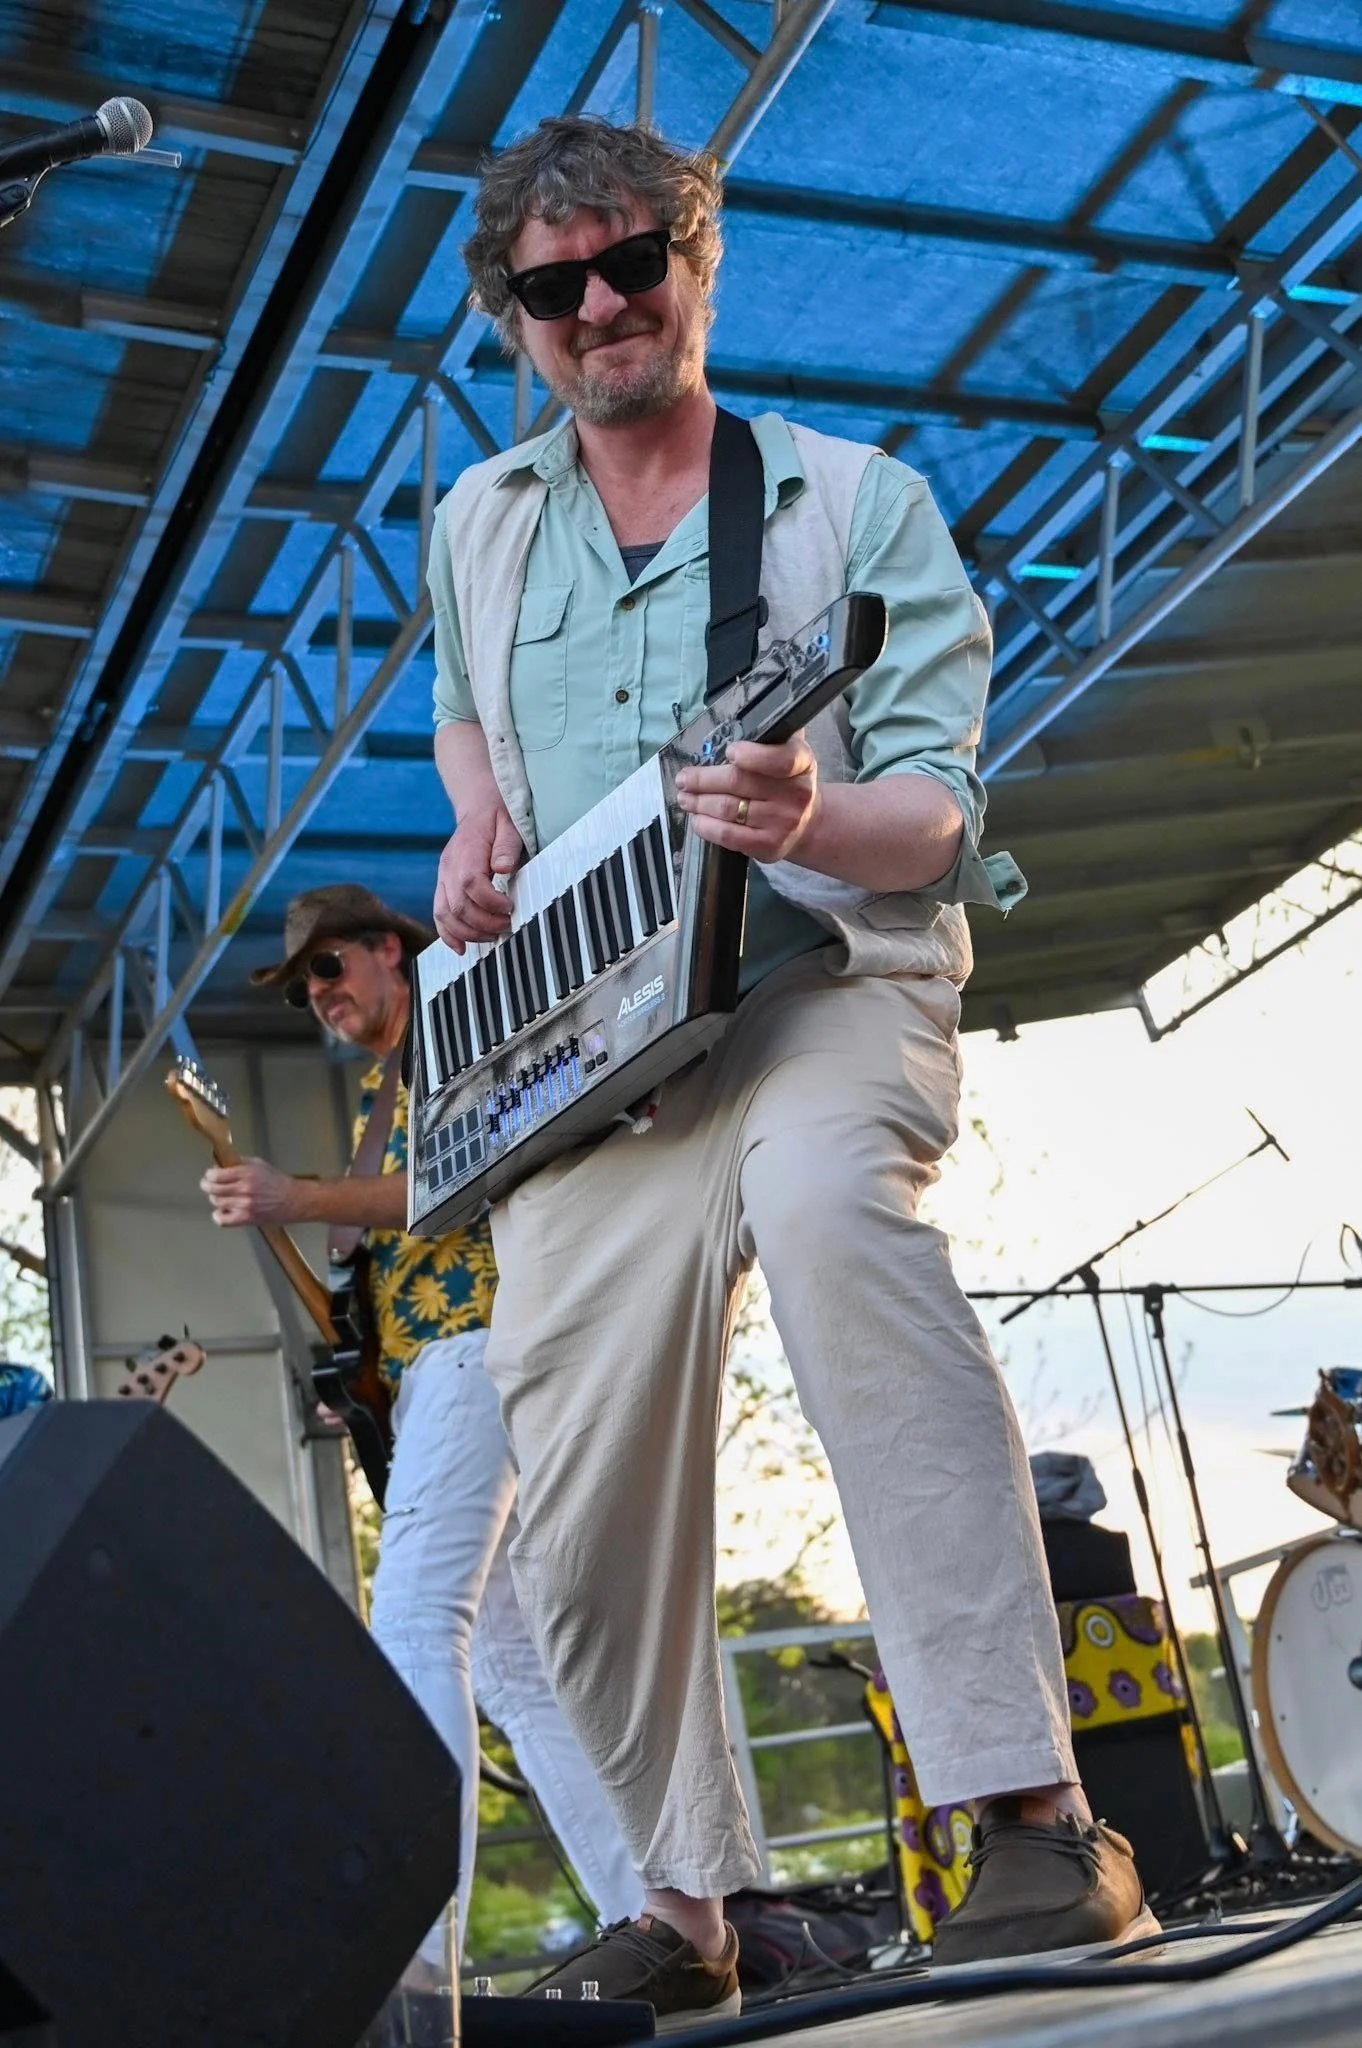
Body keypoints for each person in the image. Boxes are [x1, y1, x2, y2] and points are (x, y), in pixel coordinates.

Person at [428, 119, 1158, 2021]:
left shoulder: (853, 501)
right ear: (514, 319)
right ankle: (686, 1910)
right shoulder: (475, 521)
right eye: (552, 284)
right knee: (564, 1432)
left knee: (837, 1224)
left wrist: (814, 809)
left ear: (696, 261)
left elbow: (935, 817)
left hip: (822, 980)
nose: (599, 306)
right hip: (591, 1052)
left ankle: (1032, 1814)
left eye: (631, 265)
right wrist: (476, 826)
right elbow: (463, 713)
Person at [199, 883, 642, 1976]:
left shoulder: (455, 1022)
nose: (318, 994)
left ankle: (425, 1953)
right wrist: (356, 1355)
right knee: (508, 1665)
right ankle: (654, 1913)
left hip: (479, 1344)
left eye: (330, 967)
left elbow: (457, 1177)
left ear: (392, 951)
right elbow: (385, 1241)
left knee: (412, 1625)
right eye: (304, 984)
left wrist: (291, 1197)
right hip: (441, 1364)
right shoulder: (378, 1094)